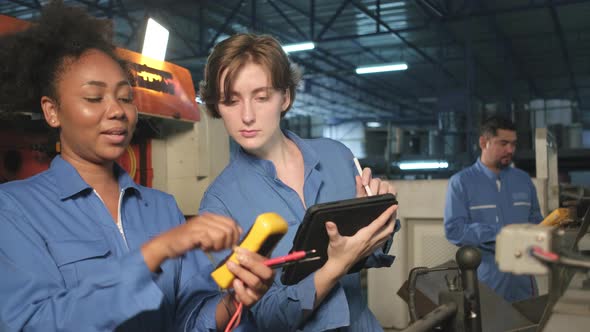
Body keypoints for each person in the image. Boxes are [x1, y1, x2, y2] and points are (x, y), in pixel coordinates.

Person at [0, 2, 273, 331]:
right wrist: (155, 252)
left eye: (125, 97)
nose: (117, 111)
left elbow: (189, 316)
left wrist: (232, 302)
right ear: (52, 111)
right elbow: (35, 323)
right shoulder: (14, 209)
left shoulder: (162, 208)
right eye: (94, 98)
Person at [198, 33, 399, 331]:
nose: (247, 116)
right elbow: (265, 317)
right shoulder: (218, 205)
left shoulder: (338, 156)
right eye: (231, 100)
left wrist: (380, 218)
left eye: (261, 97)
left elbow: (371, 253)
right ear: (217, 107)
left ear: (286, 97)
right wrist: (335, 266)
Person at [444, 115, 543, 303]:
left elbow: (536, 219)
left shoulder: (523, 180)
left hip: (524, 280)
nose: (510, 150)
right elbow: (454, 230)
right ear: (484, 142)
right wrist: (501, 234)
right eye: (503, 143)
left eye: (513, 144)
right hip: (486, 280)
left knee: (528, 323)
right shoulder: (461, 182)